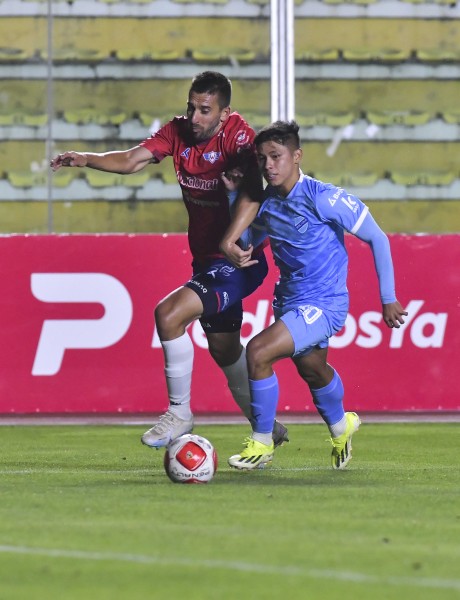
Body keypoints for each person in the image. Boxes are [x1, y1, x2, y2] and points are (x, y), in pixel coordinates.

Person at [49, 71, 289, 450]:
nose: (194, 117)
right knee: (225, 350)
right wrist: (86, 158)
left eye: (204, 110)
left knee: (168, 315)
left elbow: (253, 194)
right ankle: (266, 425)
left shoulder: (240, 138)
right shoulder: (177, 131)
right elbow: (132, 160)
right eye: (191, 107)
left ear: (224, 114)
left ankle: (179, 413)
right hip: (207, 261)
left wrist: (230, 239)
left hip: (239, 258)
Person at [220, 120, 408, 470]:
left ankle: (262, 442)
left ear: (297, 156)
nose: (268, 165)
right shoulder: (267, 204)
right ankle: (341, 427)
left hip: (325, 303)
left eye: (276, 156)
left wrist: (388, 297)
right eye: (262, 159)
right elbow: (246, 245)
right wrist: (234, 197)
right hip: (289, 300)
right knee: (313, 370)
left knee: (258, 352)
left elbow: (377, 237)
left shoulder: (324, 197)